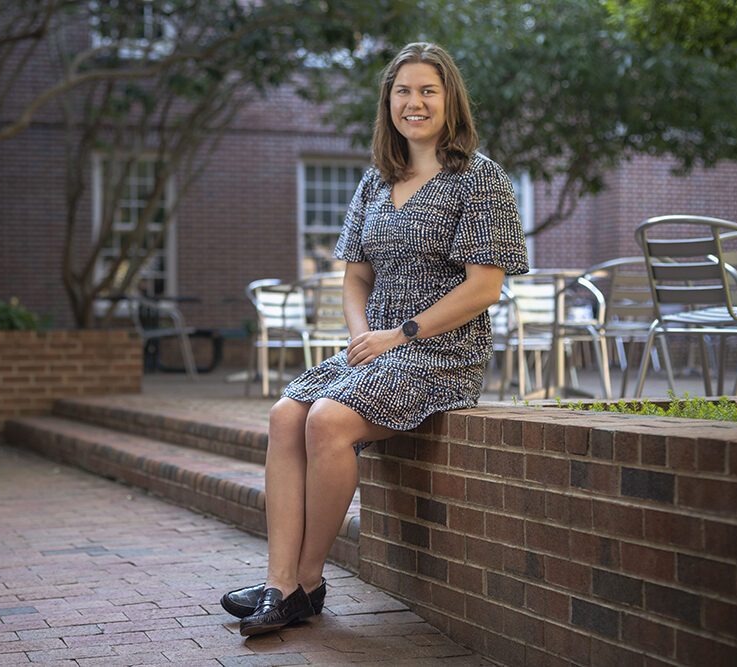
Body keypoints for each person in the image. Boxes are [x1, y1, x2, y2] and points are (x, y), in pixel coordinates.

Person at [222, 41, 529, 637]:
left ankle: (307, 581)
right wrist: (365, 335)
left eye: (427, 91)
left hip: (440, 351)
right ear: (388, 102)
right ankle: (280, 580)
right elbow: (355, 275)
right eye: (403, 92)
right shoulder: (374, 181)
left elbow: (484, 288)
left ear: (449, 101)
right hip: (376, 344)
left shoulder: (480, 179)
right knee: (287, 414)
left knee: (327, 420)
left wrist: (402, 333)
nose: (414, 103)